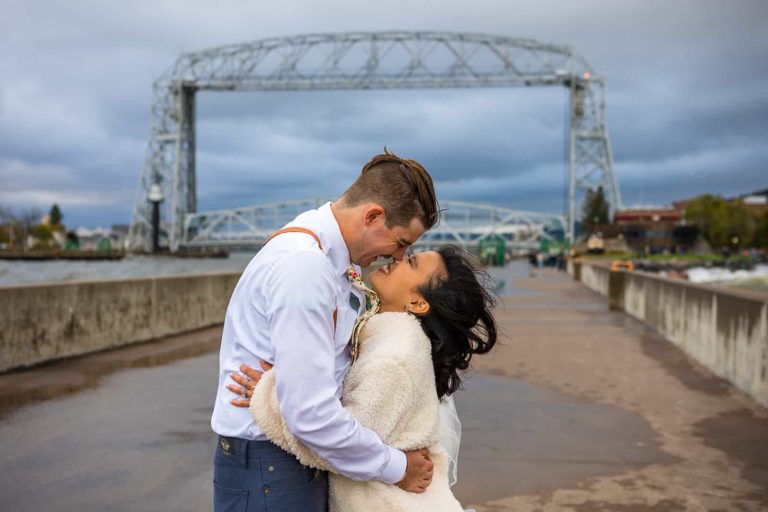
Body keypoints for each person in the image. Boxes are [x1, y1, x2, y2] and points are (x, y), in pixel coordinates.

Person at [210, 149, 439, 511]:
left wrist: (274, 390)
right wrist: (398, 468)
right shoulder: (306, 267)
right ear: (373, 216)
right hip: (271, 469)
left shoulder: (327, 259)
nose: (397, 257)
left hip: (285, 463)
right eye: (400, 243)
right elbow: (310, 416)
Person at [229, 246, 498, 511]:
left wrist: (268, 394)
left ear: (418, 303)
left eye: (412, 263)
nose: (398, 258)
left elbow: (333, 444)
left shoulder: (394, 358)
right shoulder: (389, 338)